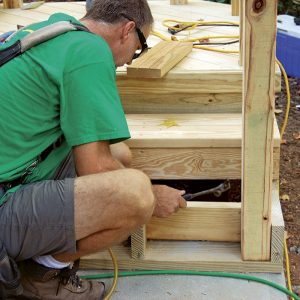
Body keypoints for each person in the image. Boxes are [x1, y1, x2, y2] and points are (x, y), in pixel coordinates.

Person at [0, 0, 187, 299]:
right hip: (4, 204)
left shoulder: (53, 30)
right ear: (127, 30)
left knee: (121, 154)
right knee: (134, 195)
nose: (130, 60)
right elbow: (96, 170)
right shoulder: (90, 51)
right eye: (139, 48)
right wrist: (153, 197)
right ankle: (39, 277)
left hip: (14, 174)